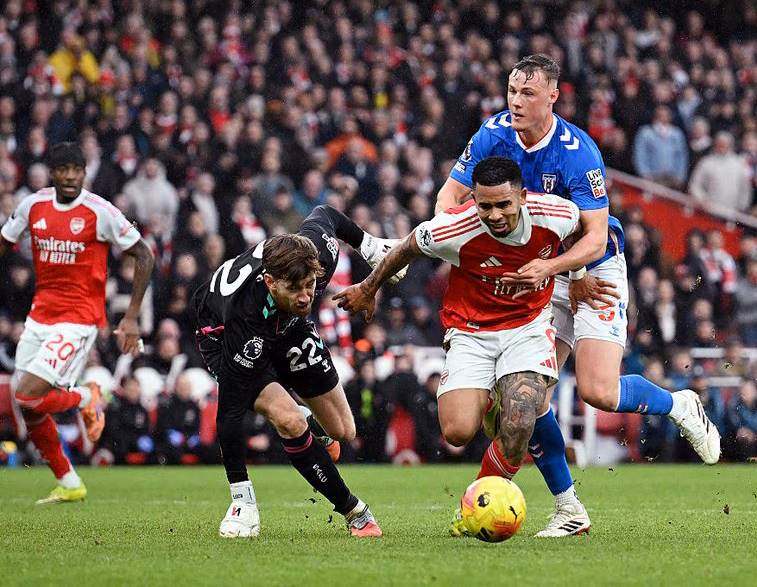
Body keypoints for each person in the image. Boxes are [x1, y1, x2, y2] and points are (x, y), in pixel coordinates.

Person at [435, 54, 720, 537]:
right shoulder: (491, 135)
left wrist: (564, 268)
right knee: (530, 398)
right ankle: (570, 510)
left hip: (592, 266)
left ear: (553, 96)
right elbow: (448, 201)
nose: (516, 101)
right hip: (538, 272)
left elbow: (592, 235)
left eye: (528, 93)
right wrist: (467, 247)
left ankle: (679, 405)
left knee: (598, 392)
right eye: (511, 91)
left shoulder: (577, 150)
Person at [336, 156, 599, 537]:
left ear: (523, 197)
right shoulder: (453, 229)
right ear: (473, 200)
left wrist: (574, 274)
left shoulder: (555, 213)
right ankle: (493, 399)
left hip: (527, 326)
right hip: (470, 332)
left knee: (520, 418)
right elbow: (405, 248)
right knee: (457, 432)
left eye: (504, 204)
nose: (494, 214)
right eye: (485, 205)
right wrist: (368, 287)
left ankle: (476, 507)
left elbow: (582, 233)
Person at [192, 204, 403, 538]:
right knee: (287, 419)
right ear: (271, 282)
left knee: (344, 431)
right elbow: (229, 414)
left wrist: (369, 246)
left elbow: (327, 214)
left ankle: (311, 424)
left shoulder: (313, 255)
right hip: (226, 337)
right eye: (296, 289)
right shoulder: (242, 320)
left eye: (311, 286)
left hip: (289, 324)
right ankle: (355, 511)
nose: (307, 297)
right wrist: (240, 494)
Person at [0, 142, 154, 503]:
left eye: (77, 169)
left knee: (28, 393)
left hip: (79, 320)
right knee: (27, 405)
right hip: (39, 317)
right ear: (51, 173)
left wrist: (130, 318)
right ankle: (69, 482)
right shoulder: (32, 205)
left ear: (85, 172)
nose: (70, 176)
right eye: (63, 169)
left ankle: (87, 395)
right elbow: (5, 242)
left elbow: (144, 255)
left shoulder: (100, 212)